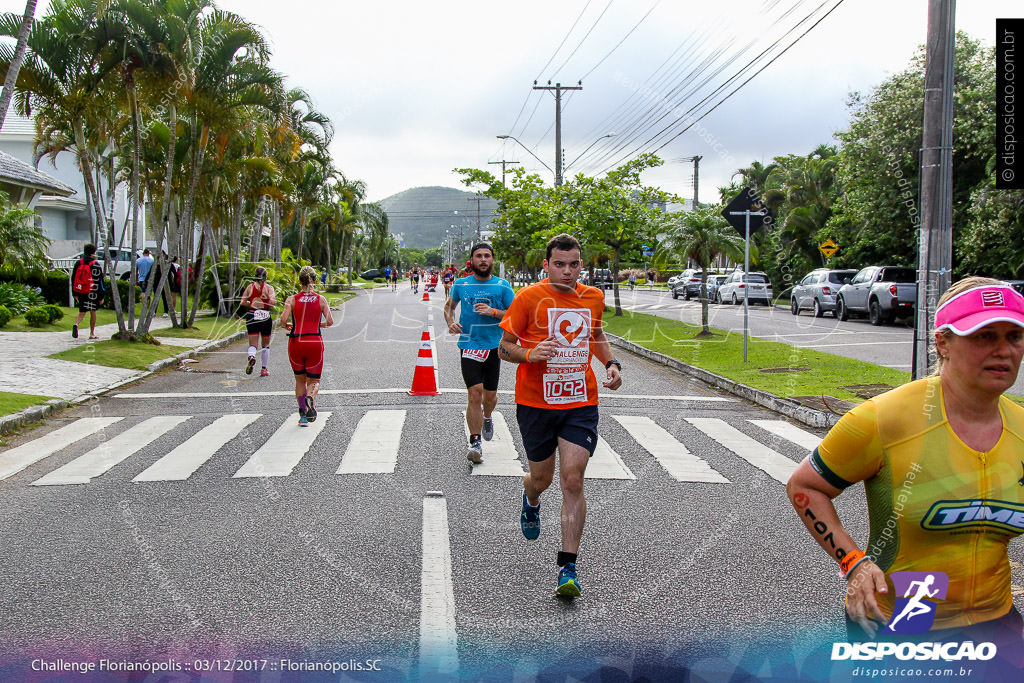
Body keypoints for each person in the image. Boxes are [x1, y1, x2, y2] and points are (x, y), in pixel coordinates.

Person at [787, 277, 1024, 663]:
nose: (1003, 351)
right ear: (943, 342)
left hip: (996, 620)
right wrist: (854, 563)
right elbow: (805, 486)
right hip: (906, 619)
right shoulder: (884, 420)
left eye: (1014, 336)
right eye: (983, 336)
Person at [498, 233, 623, 597]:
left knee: (572, 479)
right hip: (536, 404)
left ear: (581, 264)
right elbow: (504, 348)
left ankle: (567, 568)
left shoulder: (593, 297)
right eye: (559, 264)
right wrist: (529, 354)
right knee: (543, 479)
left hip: (580, 402)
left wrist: (611, 363)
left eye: (574, 264)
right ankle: (530, 496)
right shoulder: (528, 298)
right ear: (546, 265)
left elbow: (596, 335)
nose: (567, 271)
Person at [444, 244, 515, 464]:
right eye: (478, 256)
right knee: (474, 393)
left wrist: (493, 312)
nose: (483, 259)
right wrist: (451, 323)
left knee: (490, 397)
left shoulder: (502, 286)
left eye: (487, 256)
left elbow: (515, 315)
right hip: (469, 345)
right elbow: (449, 307)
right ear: (472, 260)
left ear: (492, 260)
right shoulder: (461, 284)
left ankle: (487, 417)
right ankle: (475, 442)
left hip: (494, 346)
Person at [280, 265, 334, 426]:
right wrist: (319, 325)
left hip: (296, 341)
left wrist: (288, 325)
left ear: (299, 281)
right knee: (314, 380)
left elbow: (283, 321)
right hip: (314, 341)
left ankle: (303, 416)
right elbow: (330, 321)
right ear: (315, 280)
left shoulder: (292, 299)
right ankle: (311, 397)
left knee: (299, 380)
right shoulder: (321, 299)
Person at [240, 266, 277, 377]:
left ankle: (251, 356)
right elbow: (273, 302)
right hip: (265, 315)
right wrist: (265, 301)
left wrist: (252, 303)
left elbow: (242, 302)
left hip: (252, 314)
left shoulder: (250, 287)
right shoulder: (269, 288)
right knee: (266, 345)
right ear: (265, 277)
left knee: (253, 344)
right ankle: (264, 369)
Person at [71, 243, 105, 340]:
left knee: (82, 311)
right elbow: (100, 281)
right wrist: (101, 296)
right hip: (92, 292)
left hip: (81, 290)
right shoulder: (95, 264)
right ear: (93, 253)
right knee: (92, 312)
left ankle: (76, 324)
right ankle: (92, 333)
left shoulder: (78, 263)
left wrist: (74, 293)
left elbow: (74, 278)